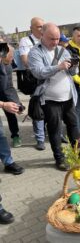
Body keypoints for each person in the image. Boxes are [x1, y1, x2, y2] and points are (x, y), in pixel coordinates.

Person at [28, 23, 80, 171]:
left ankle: (78, 150)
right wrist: (58, 67)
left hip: (68, 97)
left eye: (58, 38)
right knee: (55, 129)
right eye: (52, 39)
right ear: (42, 35)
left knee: (74, 126)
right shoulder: (35, 52)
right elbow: (38, 72)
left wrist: (73, 67)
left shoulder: (63, 50)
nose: (55, 42)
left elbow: (72, 73)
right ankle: (59, 157)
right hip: (50, 100)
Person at [18, 17, 46, 151]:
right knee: (37, 108)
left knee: (52, 108)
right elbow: (25, 61)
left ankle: (54, 134)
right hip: (36, 80)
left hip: (49, 79)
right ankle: (40, 138)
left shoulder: (47, 39)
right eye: (39, 26)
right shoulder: (25, 41)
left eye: (43, 26)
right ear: (32, 28)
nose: (42, 29)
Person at [0, 43, 25, 176]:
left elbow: (8, 87)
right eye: (10, 56)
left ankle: (8, 162)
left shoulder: (7, 65)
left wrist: (17, 103)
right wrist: (3, 105)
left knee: (0, 135)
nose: (12, 60)